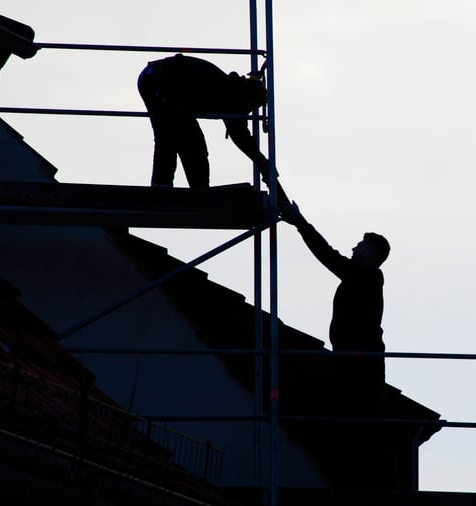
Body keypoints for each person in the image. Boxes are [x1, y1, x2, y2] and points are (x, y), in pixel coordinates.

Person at [278, 200, 392, 487]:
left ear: (370, 253)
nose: (353, 248)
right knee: (354, 421)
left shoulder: (367, 276)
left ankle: (360, 481)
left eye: (358, 245)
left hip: (359, 364)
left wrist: (301, 223)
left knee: (358, 423)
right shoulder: (364, 277)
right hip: (354, 361)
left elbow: (328, 255)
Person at [137, 53, 286, 199]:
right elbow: (239, 134)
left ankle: (193, 188)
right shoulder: (229, 95)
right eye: (250, 107)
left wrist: (261, 161)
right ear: (246, 98)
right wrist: (261, 161)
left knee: (187, 138)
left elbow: (240, 134)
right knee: (173, 133)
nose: (247, 113)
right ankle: (166, 186)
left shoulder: (232, 91)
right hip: (158, 79)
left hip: (167, 83)